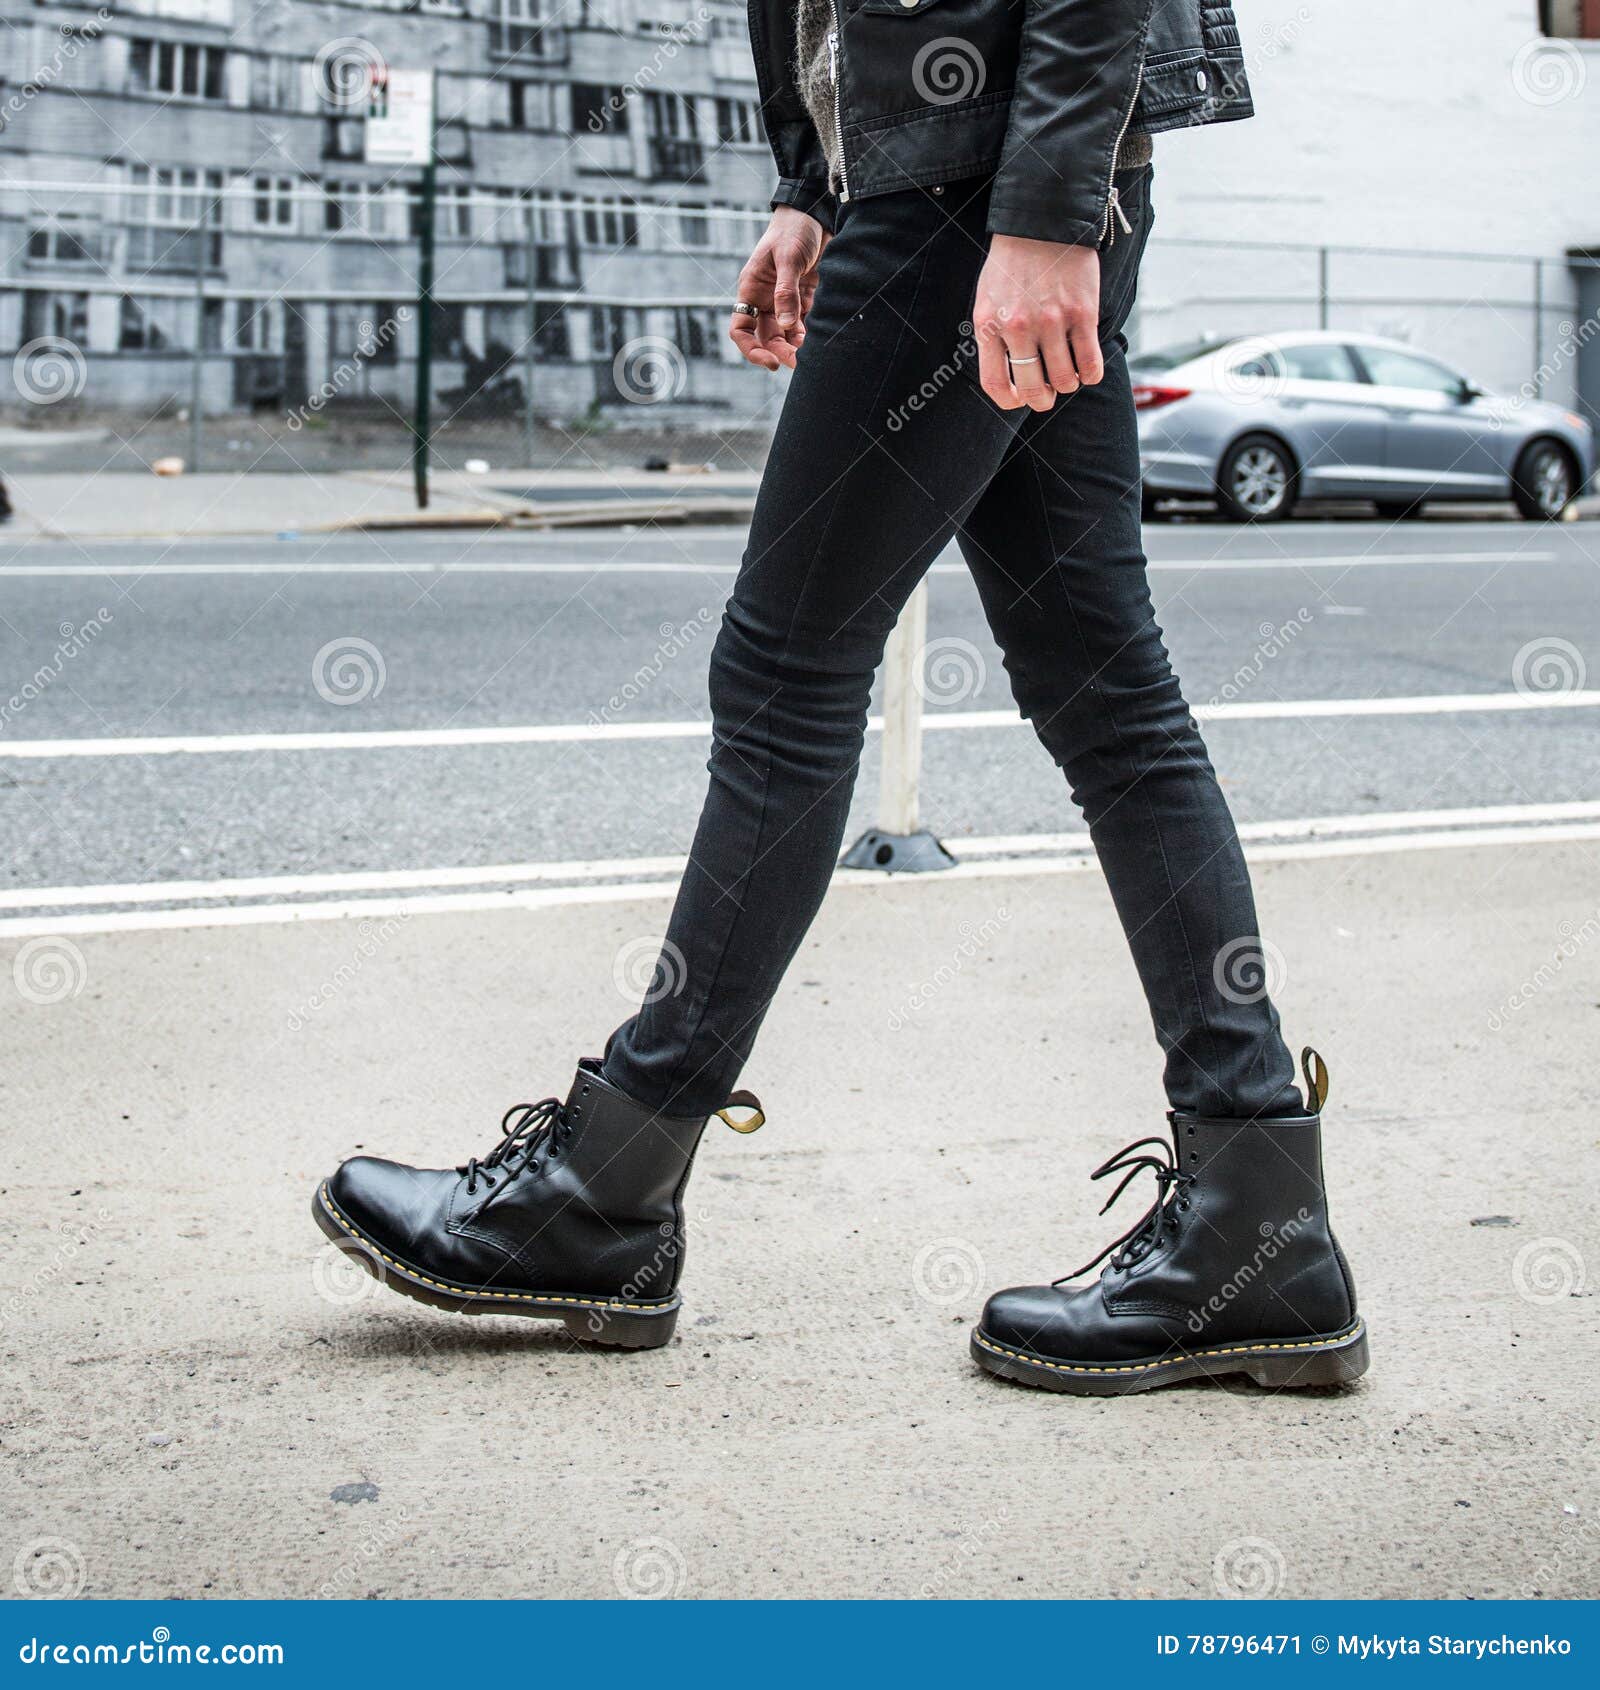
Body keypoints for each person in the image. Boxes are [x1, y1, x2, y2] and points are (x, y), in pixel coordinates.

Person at [314, 0, 1368, 1395]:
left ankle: (606, 1187)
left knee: (788, 669)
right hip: (961, 171)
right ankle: (1261, 1222)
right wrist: (814, 181)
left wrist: (1044, 207)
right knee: (1107, 689)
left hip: (981, 183)